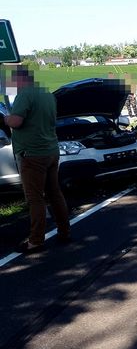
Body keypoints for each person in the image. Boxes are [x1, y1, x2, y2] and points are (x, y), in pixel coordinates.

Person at [3, 66, 70, 254]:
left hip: (32, 153)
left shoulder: (24, 95)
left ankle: (36, 241)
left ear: (20, 80)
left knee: (35, 198)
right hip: (51, 150)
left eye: (13, 82)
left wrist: (5, 119)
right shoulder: (47, 94)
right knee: (55, 193)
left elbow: (16, 122)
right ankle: (64, 230)